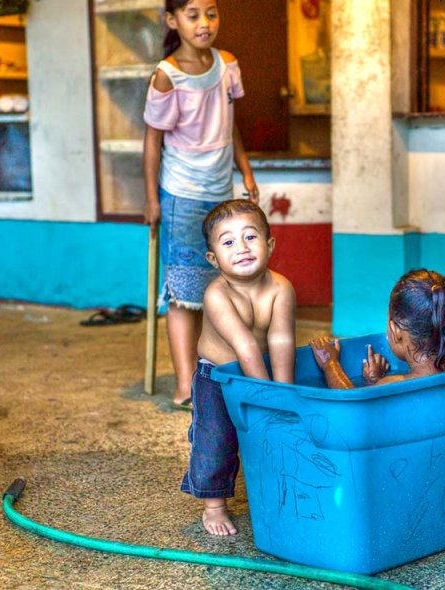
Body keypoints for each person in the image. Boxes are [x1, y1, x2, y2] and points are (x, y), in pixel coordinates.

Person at [142, 0, 259, 411]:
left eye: (211, 13)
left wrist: (245, 170)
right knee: (184, 293)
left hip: (221, 189)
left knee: (222, 286)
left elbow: (232, 124)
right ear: (174, 20)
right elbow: (152, 140)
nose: (204, 23)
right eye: (193, 15)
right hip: (181, 194)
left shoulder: (227, 65)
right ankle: (185, 385)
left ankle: (217, 376)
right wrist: (152, 199)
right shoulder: (166, 77)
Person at [182, 199, 296, 536]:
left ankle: (279, 488)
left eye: (250, 237)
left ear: (270, 244)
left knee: (276, 431)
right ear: (214, 259)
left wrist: (284, 394)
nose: (242, 248)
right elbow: (244, 346)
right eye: (228, 242)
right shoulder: (217, 294)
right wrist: (266, 398)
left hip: (258, 372)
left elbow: (281, 341)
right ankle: (214, 505)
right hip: (217, 377)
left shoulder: (281, 288)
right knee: (216, 439)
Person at [310, 269, 445, 388]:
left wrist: (330, 365)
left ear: (395, 331)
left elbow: (354, 406)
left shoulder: (392, 386)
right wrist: (374, 380)